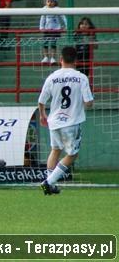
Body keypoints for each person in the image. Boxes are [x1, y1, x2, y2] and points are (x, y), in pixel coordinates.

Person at [38, 46, 94, 195]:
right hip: (71, 123)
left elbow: (41, 100)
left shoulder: (52, 77)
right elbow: (89, 102)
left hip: (54, 121)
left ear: (61, 59)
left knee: (55, 150)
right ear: (76, 61)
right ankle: (48, 182)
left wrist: (42, 115)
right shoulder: (81, 77)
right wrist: (81, 103)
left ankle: (50, 186)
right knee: (72, 155)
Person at [39, 0, 66, 65]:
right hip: (47, 29)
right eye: (48, 1)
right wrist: (41, 27)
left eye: (51, 1)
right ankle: (45, 57)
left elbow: (63, 17)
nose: (49, 3)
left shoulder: (57, 9)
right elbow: (42, 18)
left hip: (56, 29)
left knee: (53, 44)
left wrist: (66, 26)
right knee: (45, 43)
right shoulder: (44, 9)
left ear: (55, 2)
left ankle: (53, 58)